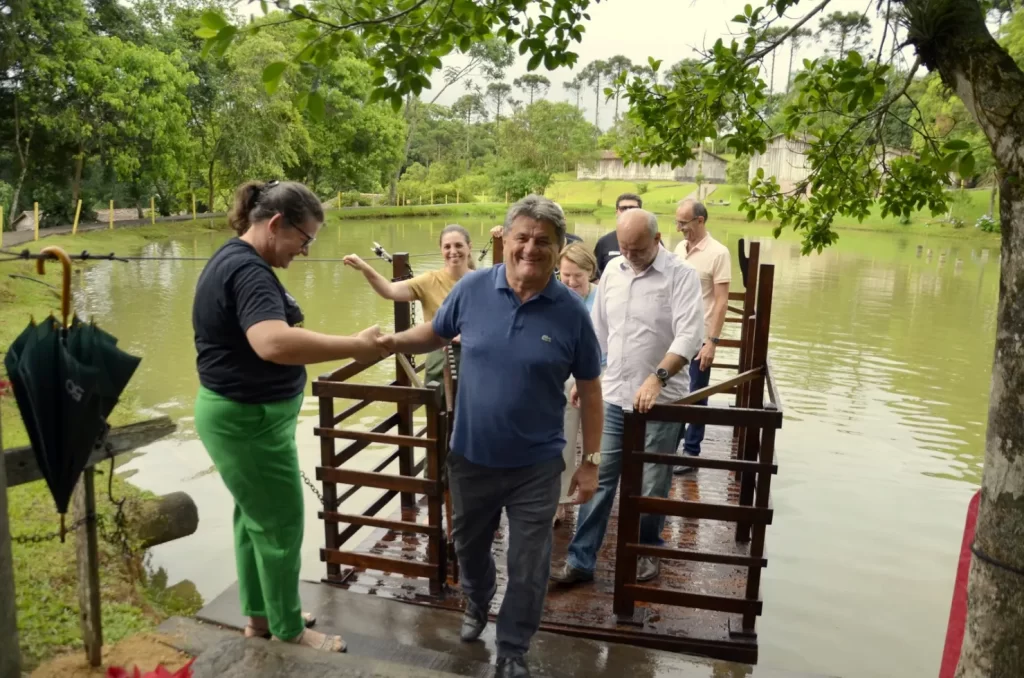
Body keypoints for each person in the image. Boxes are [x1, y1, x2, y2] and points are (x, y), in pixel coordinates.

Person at [377, 195, 604, 678]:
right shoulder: (473, 289)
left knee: (529, 563)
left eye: (543, 241)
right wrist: (391, 342)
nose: (530, 249)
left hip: (537, 466)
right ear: (505, 240)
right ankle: (477, 601)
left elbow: (590, 387)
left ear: (558, 247)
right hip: (471, 457)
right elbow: (436, 333)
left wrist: (591, 462)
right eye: (521, 237)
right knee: (471, 548)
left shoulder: (571, 312)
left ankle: (513, 649)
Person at [192, 180, 386, 654]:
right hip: (247, 420)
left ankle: (261, 616)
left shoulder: (233, 258)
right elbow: (272, 342)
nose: (305, 250)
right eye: (305, 239)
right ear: (276, 224)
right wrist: (356, 347)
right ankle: (287, 629)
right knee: (280, 524)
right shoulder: (250, 272)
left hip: (238, 416)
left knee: (253, 518)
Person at [551, 208, 705, 586]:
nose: (629, 255)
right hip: (614, 394)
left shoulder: (681, 276)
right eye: (623, 247)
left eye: (637, 248)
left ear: (656, 240)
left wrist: (656, 379)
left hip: (663, 397)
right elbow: (598, 334)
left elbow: (689, 336)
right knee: (599, 476)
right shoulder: (613, 276)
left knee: (653, 480)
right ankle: (581, 560)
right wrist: (584, 381)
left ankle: (645, 550)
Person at [343, 224, 474, 389]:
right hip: (442, 355)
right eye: (447, 246)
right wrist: (365, 268)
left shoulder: (483, 280)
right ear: (441, 250)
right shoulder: (429, 281)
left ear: (469, 247)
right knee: (441, 409)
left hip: (476, 354)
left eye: (458, 245)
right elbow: (390, 291)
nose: (453, 251)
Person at [672, 199, 731, 474]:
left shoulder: (719, 253)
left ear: (700, 220)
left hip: (700, 336)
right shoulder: (678, 250)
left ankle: (691, 454)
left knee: (696, 393)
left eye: (684, 222)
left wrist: (712, 342)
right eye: (677, 222)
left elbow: (721, 302)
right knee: (671, 390)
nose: (679, 228)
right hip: (674, 334)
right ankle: (670, 445)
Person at [553, 242, 600, 527]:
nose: (570, 282)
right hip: (567, 377)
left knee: (598, 442)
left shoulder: (602, 298)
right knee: (565, 441)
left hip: (600, 374)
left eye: (577, 276)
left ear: (590, 273)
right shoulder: (556, 297)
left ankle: (594, 494)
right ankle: (560, 500)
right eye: (564, 275)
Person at [592, 193, 642, 278]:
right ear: (616, 212)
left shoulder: (653, 241)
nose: (628, 211)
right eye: (623, 208)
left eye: (633, 208)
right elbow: (596, 275)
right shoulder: (604, 242)